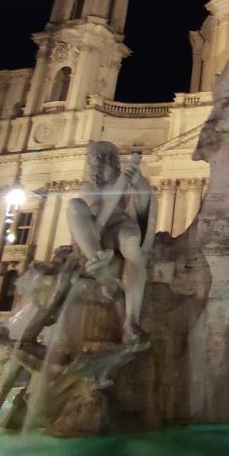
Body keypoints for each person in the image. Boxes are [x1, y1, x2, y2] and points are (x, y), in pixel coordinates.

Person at [67, 142, 153, 343]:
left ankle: (131, 320)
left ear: (113, 162)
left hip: (121, 227)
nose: (97, 164)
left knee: (132, 240)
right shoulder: (88, 187)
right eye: (95, 159)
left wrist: (140, 184)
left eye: (103, 159)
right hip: (93, 233)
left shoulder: (126, 181)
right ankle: (96, 259)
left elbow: (142, 206)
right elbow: (84, 214)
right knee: (74, 205)